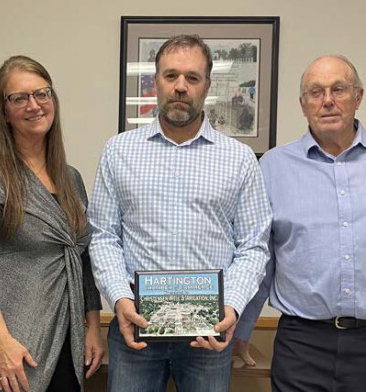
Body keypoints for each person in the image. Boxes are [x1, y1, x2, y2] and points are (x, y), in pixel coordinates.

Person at [88, 34, 272, 392]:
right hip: (134, 330)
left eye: (192, 77)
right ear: (155, 81)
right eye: (171, 76)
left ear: (207, 85)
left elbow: (253, 245)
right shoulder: (118, 152)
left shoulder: (239, 159)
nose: (180, 87)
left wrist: (231, 307)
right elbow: (103, 236)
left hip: (208, 336)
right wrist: (119, 298)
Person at [0, 55, 103, 392]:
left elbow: (81, 258)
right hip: (12, 340)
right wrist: (0, 340)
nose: (33, 105)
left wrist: (93, 327)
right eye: (19, 98)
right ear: (4, 111)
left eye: (42, 94)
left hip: (67, 336)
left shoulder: (71, 179)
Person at [235, 55, 366, 391]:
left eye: (338, 89)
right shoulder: (273, 168)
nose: (327, 100)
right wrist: (242, 330)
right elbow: (260, 259)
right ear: (303, 104)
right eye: (315, 92)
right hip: (302, 345)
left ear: (358, 97)